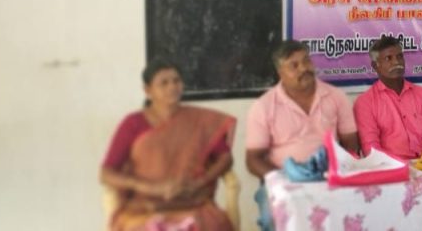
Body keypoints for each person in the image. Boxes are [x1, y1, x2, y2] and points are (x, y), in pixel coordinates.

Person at [100, 59, 236, 231]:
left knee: (208, 224)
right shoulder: (133, 123)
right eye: (163, 83)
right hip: (145, 206)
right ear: (148, 90)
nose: (172, 87)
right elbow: (106, 173)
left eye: (176, 81)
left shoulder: (199, 120)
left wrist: (199, 183)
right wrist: (147, 187)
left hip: (192, 203)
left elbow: (225, 158)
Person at [245, 40, 359, 231]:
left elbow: (351, 143)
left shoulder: (336, 97)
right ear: (280, 72)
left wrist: (337, 169)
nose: (304, 68)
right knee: (272, 218)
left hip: (329, 176)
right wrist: (285, 178)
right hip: (284, 180)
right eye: (294, 65)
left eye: (306, 61)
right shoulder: (264, 106)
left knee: (357, 208)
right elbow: (253, 159)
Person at [353, 36, 422, 160]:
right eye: (388, 58)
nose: (396, 62)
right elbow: (371, 149)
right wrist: (399, 167)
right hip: (388, 167)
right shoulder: (365, 103)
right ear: (375, 65)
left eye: (399, 56)